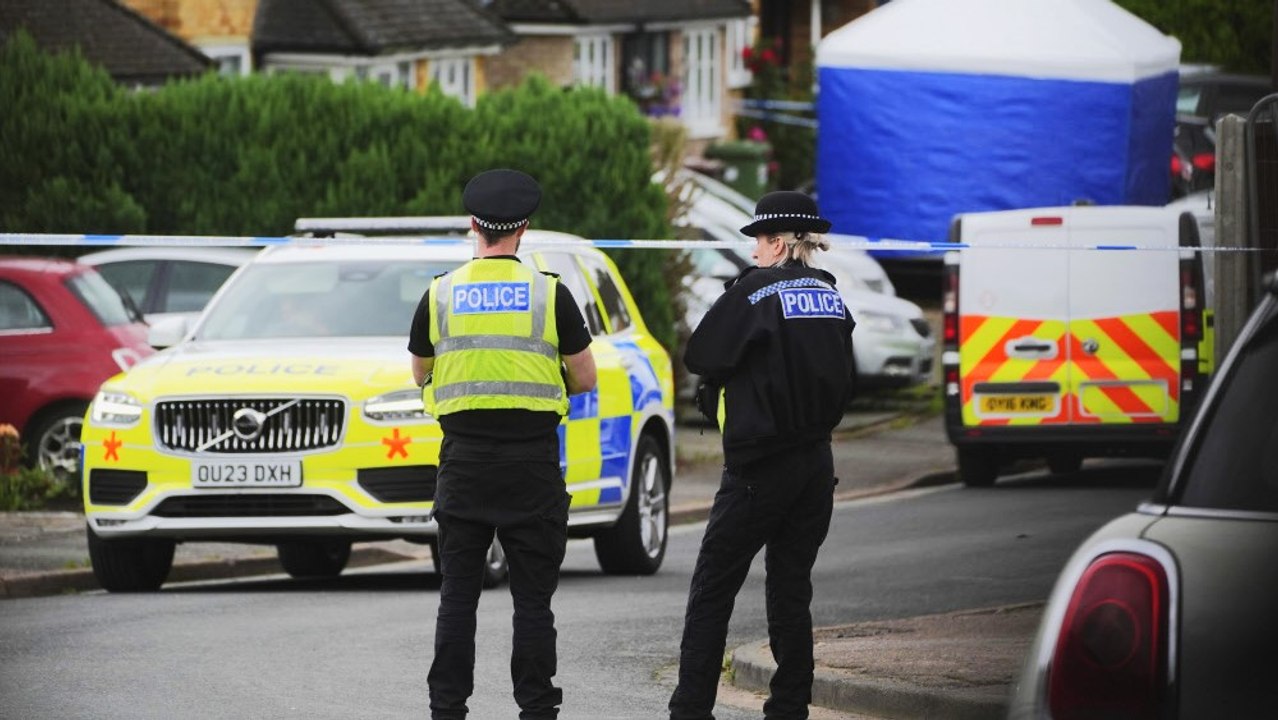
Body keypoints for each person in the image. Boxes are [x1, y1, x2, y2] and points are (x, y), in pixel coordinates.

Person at [408, 169, 597, 720]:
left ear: (473, 226)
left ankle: (447, 709)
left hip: (464, 464)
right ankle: (537, 709)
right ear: (525, 229)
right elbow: (585, 378)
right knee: (532, 603)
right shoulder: (551, 294)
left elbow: (420, 372)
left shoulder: (439, 292)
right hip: (532, 467)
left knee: (457, 599)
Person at [669, 190, 856, 720]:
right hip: (816, 465)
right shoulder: (832, 296)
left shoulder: (754, 293)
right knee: (791, 587)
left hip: (758, 467)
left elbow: (701, 353)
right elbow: (848, 381)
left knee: (712, 588)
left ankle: (689, 710)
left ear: (777, 243)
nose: (752, 250)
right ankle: (790, 707)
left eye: (758, 240)